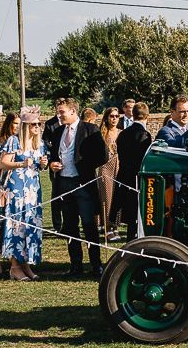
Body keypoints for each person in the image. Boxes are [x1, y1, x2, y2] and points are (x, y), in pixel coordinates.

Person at [48, 98, 108, 278]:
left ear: (73, 111)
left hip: (83, 184)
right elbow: (53, 155)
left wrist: (85, 165)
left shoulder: (90, 130)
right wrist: (53, 164)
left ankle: (96, 265)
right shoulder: (58, 132)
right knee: (70, 226)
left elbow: (103, 156)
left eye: (62, 112)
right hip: (64, 184)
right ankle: (76, 265)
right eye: (58, 112)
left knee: (89, 225)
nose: (59, 115)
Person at [0, 107, 48, 282]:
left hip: (33, 190)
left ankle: (26, 263)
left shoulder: (39, 143)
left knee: (30, 223)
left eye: (39, 124)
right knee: (17, 224)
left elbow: (40, 167)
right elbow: (3, 163)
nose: (37, 127)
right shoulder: (14, 141)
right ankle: (14, 267)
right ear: (26, 126)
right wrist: (22, 164)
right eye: (34, 124)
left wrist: (43, 164)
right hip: (17, 188)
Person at [112, 102, 152, 242]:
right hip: (137, 177)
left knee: (130, 213)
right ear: (147, 116)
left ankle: (131, 237)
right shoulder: (144, 135)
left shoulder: (123, 134)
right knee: (138, 211)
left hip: (124, 175)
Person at [0, 112, 20, 275]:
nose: (18, 127)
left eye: (20, 124)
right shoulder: (0, 142)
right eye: (15, 123)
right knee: (0, 223)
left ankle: (17, 259)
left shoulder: (24, 142)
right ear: (9, 124)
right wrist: (3, 164)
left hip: (20, 186)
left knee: (17, 222)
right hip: (3, 185)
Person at [97, 107, 121, 241]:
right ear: (106, 117)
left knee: (117, 199)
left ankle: (115, 226)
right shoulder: (102, 133)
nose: (114, 119)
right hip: (105, 168)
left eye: (117, 116)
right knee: (107, 198)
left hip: (118, 167)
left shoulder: (121, 133)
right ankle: (107, 228)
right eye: (112, 116)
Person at [41, 100, 63, 233]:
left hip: (70, 162)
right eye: (57, 108)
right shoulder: (50, 123)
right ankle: (57, 225)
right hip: (54, 162)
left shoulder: (70, 122)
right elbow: (45, 141)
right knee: (56, 193)